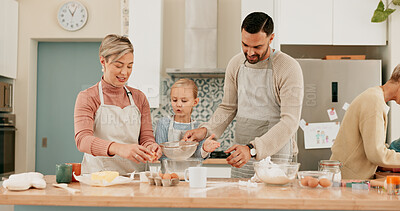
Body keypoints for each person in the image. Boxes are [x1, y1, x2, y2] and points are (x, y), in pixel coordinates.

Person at [183, 12, 304, 178]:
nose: (250, 52)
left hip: (275, 156)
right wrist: (206, 130)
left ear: (271, 38)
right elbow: (227, 108)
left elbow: (290, 121)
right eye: (245, 44)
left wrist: (252, 149)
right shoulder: (236, 64)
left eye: (257, 47)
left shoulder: (288, 67)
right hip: (241, 154)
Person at [74, 34, 162, 175]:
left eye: (129, 66)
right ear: (103, 61)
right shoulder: (88, 97)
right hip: (99, 179)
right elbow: (82, 140)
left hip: (135, 178)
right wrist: (119, 148)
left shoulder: (139, 98)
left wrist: (151, 147)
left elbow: (146, 138)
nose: (124, 72)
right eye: (118, 65)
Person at [330, 64, 400, 179]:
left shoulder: (374, 96)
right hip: (348, 181)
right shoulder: (374, 102)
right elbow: (377, 155)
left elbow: (371, 147)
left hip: (348, 178)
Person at [155, 79, 220, 164]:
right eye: (174, 100)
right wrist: (179, 148)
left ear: (195, 102)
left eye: (184, 101)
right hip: (168, 173)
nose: (178, 104)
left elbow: (197, 157)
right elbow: (160, 154)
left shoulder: (199, 128)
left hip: (191, 174)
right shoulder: (163, 123)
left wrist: (204, 149)